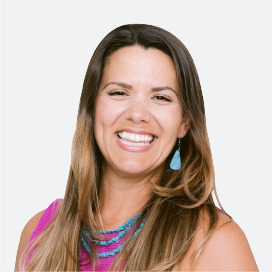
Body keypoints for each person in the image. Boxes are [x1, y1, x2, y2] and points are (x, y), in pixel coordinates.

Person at [14, 24, 258, 271]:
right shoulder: (39, 233)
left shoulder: (215, 243)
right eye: (119, 92)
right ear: (91, 109)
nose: (137, 114)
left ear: (184, 122)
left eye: (161, 97)